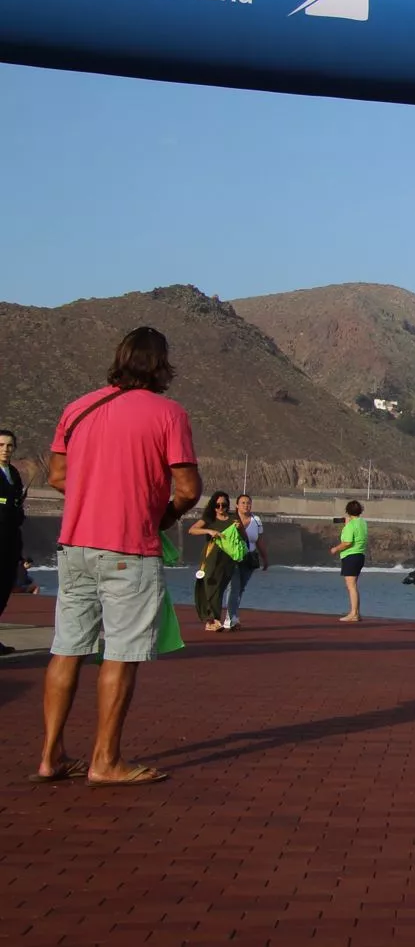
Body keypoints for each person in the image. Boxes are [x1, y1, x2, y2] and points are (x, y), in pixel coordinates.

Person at [35, 326, 201, 787]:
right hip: (129, 547)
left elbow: (56, 475)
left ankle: (50, 756)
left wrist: (95, 491)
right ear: (161, 364)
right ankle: (105, 761)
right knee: (121, 655)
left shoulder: (77, 408)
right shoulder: (169, 414)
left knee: (66, 648)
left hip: (74, 546)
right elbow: (188, 489)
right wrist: (160, 515)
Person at [189, 491, 237, 632]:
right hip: (211, 557)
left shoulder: (233, 520)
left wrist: (239, 529)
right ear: (213, 506)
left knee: (220, 589)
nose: (221, 508)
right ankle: (212, 619)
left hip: (227, 559)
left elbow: (242, 537)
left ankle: (212, 621)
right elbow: (192, 530)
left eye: (224, 505)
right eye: (218, 505)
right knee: (210, 587)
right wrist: (209, 531)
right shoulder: (209, 519)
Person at [222, 493, 267, 630]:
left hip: (249, 558)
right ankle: (230, 617)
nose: (246, 505)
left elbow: (259, 540)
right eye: (243, 503)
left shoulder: (256, 520)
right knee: (233, 587)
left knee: (241, 588)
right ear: (236, 505)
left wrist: (265, 558)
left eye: (248, 503)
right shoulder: (230, 519)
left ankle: (234, 615)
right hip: (233, 558)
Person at [0, 428, 25, 654]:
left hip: (10, 542)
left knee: (3, 590)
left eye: (9, 446)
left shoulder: (14, 473)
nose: (5, 450)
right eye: (1, 446)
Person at [330, 500, 367, 622]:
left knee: (351, 586)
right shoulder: (362, 523)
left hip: (351, 556)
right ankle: (356, 612)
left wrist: (336, 548)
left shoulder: (350, 526)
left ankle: (354, 614)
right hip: (360, 555)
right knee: (354, 585)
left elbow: (347, 542)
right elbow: (356, 529)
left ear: (348, 511)